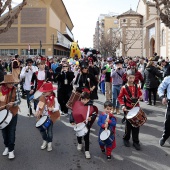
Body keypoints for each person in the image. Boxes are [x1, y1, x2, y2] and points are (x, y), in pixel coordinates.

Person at [118, 69, 143, 150]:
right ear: (127, 77)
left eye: (133, 78)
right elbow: (120, 97)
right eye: (130, 78)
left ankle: (136, 141)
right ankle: (126, 138)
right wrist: (122, 105)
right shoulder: (124, 87)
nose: (132, 80)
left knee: (136, 125)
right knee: (128, 126)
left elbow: (140, 94)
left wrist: (140, 96)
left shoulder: (137, 86)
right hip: (128, 108)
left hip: (136, 108)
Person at [70, 92, 98, 159]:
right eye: (82, 99)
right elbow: (73, 113)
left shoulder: (90, 107)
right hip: (78, 124)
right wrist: (72, 120)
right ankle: (79, 143)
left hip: (86, 125)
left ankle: (87, 150)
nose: (83, 101)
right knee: (78, 135)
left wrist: (91, 118)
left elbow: (94, 114)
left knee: (86, 138)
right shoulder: (77, 105)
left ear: (88, 99)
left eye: (85, 100)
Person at [0, 74, 21, 159]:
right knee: (4, 132)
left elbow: (19, 100)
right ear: (5, 83)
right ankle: (7, 147)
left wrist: (14, 103)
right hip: (2, 114)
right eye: (10, 83)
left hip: (13, 113)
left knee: (11, 132)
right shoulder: (0, 90)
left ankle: (11, 150)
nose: (12, 84)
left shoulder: (15, 89)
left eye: (13, 83)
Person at [35, 82, 60, 151]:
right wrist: (37, 111)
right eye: (43, 91)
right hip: (42, 116)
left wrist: (53, 109)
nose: (43, 93)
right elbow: (38, 105)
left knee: (49, 132)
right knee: (42, 130)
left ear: (50, 91)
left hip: (50, 117)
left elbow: (57, 108)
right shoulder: (42, 97)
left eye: (45, 91)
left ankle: (49, 143)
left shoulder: (54, 99)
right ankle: (45, 141)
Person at [158, 76, 170, 146]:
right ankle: (165, 136)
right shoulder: (168, 78)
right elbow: (160, 88)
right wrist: (162, 97)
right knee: (168, 122)